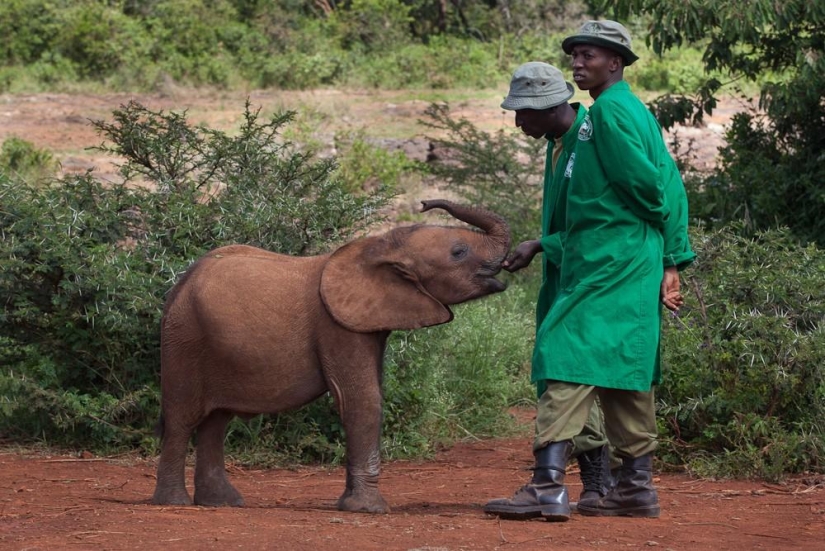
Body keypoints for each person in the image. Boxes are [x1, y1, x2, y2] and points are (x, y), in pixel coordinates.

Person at [486, 20, 695, 522]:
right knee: (626, 370)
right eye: (575, 56)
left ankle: (547, 486)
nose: (579, 64)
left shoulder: (608, 115)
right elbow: (615, 200)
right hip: (615, 258)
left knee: (564, 353)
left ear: (615, 63)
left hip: (613, 262)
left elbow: (655, 189)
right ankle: (635, 489)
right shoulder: (606, 115)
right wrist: (662, 255)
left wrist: (666, 257)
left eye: (589, 56)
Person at [482, 62, 616, 523]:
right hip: (570, 271)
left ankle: (548, 485)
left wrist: (543, 243)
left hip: (599, 273)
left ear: (548, 107)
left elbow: (604, 219)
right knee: (575, 373)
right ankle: (600, 486)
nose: (518, 123)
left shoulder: (592, 137)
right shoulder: (558, 143)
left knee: (563, 364)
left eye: (524, 114)